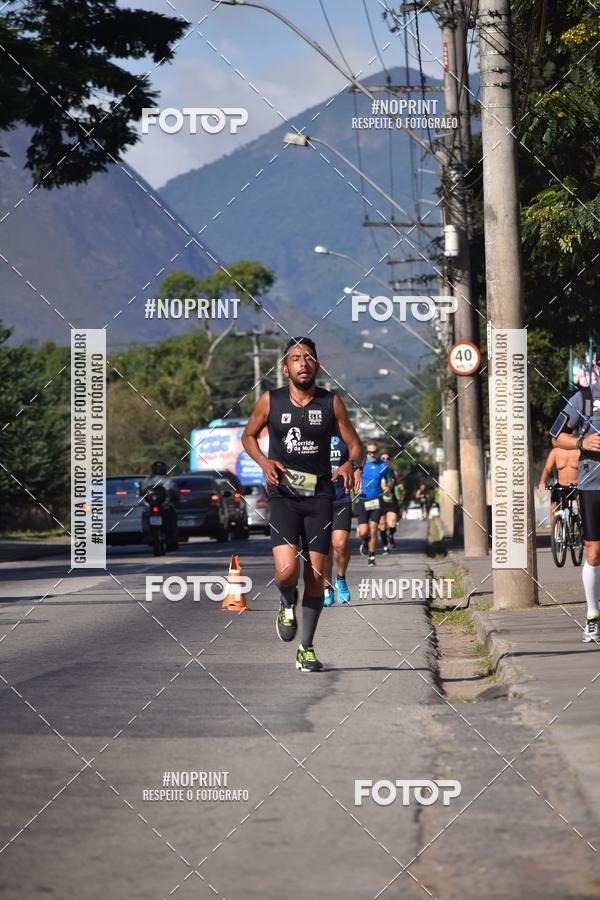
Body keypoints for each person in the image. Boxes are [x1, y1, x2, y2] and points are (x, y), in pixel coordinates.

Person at [241, 337, 364, 672]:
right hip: (283, 496)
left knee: (314, 576)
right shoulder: (271, 400)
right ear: (286, 367)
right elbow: (248, 436)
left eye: (308, 357)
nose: (303, 363)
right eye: (296, 358)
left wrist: (350, 464)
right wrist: (264, 463)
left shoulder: (330, 403)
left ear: (317, 365)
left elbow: (356, 446)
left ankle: (306, 648)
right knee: (286, 572)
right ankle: (285, 601)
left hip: (321, 497)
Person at [550, 352, 600, 641]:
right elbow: (556, 436)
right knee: (593, 550)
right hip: (593, 482)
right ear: (596, 367)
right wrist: (582, 441)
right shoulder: (583, 398)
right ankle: (593, 616)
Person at [323, 435, 363, 606]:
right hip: (319, 500)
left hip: (341, 498)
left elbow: (359, 450)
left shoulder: (343, 434)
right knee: (324, 549)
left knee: (340, 544)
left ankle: (341, 578)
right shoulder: (312, 433)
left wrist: (358, 468)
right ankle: (326, 588)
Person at [356, 441, 393, 567]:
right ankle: (365, 541)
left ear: (378, 452)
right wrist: (356, 489)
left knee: (373, 530)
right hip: (362, 501)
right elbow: (353, 478)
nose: (372, 454)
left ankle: (371, 556)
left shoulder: (383, 466)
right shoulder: (360, 464)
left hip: (376, 500)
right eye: (369, 452)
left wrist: (388, 487)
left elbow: (390, 480)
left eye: (374, 452)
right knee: (363, 531)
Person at [140, 460, 179, 550]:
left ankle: (171, 536)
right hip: (153, 506)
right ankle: (171, 536)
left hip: (161, 505)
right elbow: (141, 493)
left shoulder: (147, 480)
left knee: (171, 513)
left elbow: (175, 493)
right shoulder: (167, 480)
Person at [538, 446, 580, 525]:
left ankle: (582, 525)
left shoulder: (578, 451)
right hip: (561, 486)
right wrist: (542, 481)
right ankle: (555, 533)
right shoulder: (555, 452)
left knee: (581, 500)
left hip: (576, 485)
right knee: (553, 507)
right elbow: (547, 468)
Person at [379, 452, 399, 550]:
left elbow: (397, 484)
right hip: (380, 501)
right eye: (383, 458)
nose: (385, 460)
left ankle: (390, 535)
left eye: (387, 459)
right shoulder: (376, 471)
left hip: (391, 500)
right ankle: (384, 544)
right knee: (382, 525)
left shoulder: (393, 472)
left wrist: (399, 488)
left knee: (392, 523)